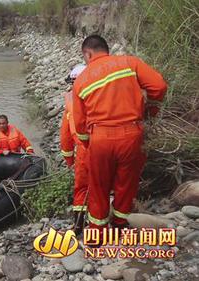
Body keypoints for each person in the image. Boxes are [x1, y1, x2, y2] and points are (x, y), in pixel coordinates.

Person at [72, 35, 167, 230]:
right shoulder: (129, 63)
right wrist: (149, 112)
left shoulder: (81, 80)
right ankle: (120, 223)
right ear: (106, 49)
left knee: (98, 186)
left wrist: (90, 144)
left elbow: (80, 125)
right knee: (127, 182)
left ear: (87, 54)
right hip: (132, 135)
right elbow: (159, 86)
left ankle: (97, 232)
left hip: (100, 138)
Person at [60, 64, 88, 235]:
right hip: (105, 144)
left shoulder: (70, 100)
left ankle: (79, 226)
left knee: (81, 188)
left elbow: (65, 136)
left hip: (84, 149)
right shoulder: (99, 94)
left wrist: (69, 160)